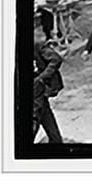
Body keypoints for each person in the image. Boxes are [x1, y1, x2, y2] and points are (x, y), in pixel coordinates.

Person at [33, 13, 63, 143]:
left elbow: (56, 59)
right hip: (38, 91)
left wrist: (41, 77)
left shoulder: (37, 44)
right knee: (45, 115)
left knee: (35, 117)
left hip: (37, 88)